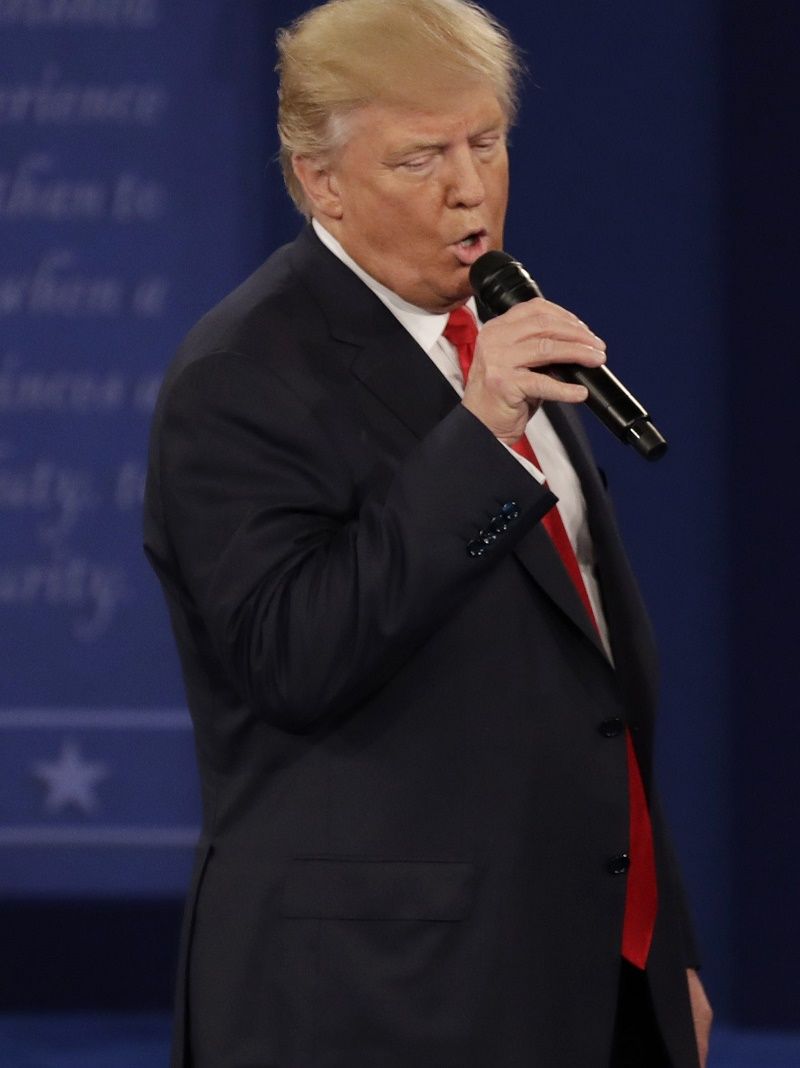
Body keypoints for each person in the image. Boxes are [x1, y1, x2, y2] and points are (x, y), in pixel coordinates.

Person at [141, 1, 709, 1064]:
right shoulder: (241, 377)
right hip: (373, 1005)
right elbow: (294, 656)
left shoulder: (487, 334)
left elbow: (593, 690)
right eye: (419, 159)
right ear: (321, 181)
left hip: (584, 981)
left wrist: (659, 951)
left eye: (485, 143)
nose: (468, 188)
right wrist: (484, 437)